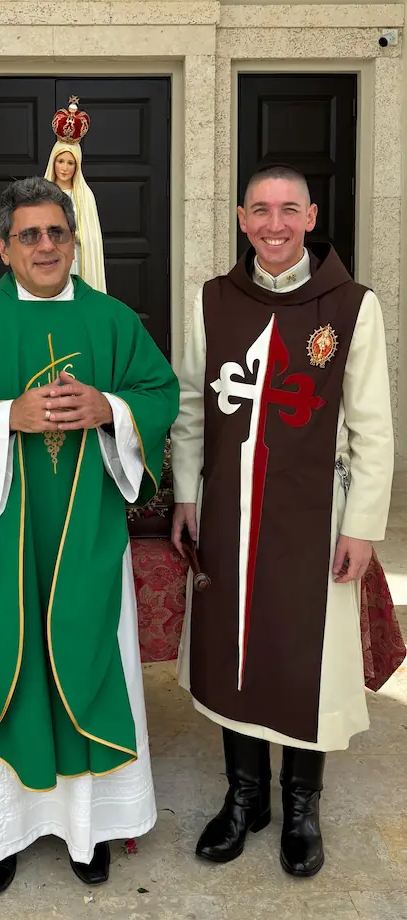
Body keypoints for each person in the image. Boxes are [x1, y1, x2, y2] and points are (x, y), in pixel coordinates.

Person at [0, 176, 178, 893]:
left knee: (88, 663)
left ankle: (86, 831)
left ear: (73, 239)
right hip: (1, 543)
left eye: (57, 232)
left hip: (87, 538)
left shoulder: (114, 320)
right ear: (3, 247)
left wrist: (109, 408)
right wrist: (5, 419)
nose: (46, 245)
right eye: (29, 234)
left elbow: (160, 395)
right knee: (1, 668)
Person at [170, 164, 394, 878]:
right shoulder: (211, 301)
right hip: (230, 509)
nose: (274, 224)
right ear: (241, 219)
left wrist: (361, 524)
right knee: (237, 649)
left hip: (314, 515)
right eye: (260, 211)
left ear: (310, 215)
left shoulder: (354, 306)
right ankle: (245, 800)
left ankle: (301, 804)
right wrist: (186, 497)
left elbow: (372, 427)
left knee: (306, 659)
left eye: (288, 210)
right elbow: (190, 406)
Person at [44, 97, 107, 292]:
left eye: (70, 163)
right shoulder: (43, 193)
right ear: (53, 162)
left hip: (76, 259)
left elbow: (92, 238)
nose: (64, 168)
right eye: (60, 161)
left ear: (77, 165)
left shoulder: (85, 196)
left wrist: (75, 236)